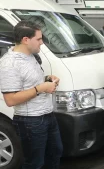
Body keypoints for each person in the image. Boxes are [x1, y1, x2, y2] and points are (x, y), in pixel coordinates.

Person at [0, 20, 63, 169]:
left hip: (47, 115)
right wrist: (41, 88)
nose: (42, 43)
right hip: (30, 122)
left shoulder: (31, 56)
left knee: (55, 153)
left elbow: (30, 82)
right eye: (39, 39)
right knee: (34, 163)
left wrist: (47, 79)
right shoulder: (9, 64)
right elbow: (10, 99)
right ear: (26, 40)